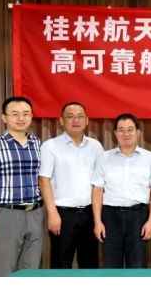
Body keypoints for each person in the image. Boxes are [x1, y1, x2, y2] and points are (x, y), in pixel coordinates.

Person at [0, 97, 43, 277]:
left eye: (26, 114)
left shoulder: (39, 144)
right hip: (6, 213)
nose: (21, 118)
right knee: (3, 268)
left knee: (31, 269)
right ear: (4, 117)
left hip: (36, 212)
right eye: (15, 114)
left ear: (31, 116)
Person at [39, 102, 104, 269]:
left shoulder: (96, 146)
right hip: (62, 214)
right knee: (61, 263)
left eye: (80, 116)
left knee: (90, 264)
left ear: (87, 120)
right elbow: (43, 180)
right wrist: (52, 213)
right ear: (61, 120)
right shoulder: (50, 146)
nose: (76, 120)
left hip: (89, 213)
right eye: (70, 116)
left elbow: (100, 182)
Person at [92, 114, 151, 268]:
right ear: (115, 133)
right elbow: (97, 191)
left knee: (137, 266)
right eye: (121, 130)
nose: (126, 134)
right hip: (110, 217)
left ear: (138, 132)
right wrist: (97, 221)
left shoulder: (150, 158)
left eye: (130, 129)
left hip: (138, 216)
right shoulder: (104, 158)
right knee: (110, 266)